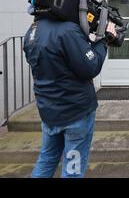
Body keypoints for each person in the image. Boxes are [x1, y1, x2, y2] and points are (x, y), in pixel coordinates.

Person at [23, 10, 116, 178]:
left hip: (48, 111)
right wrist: (105, 40)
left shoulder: (32, 30)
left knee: (46, 159)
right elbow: (90, 67)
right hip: (75, 111)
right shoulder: (67, 30)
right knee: (73, 169)